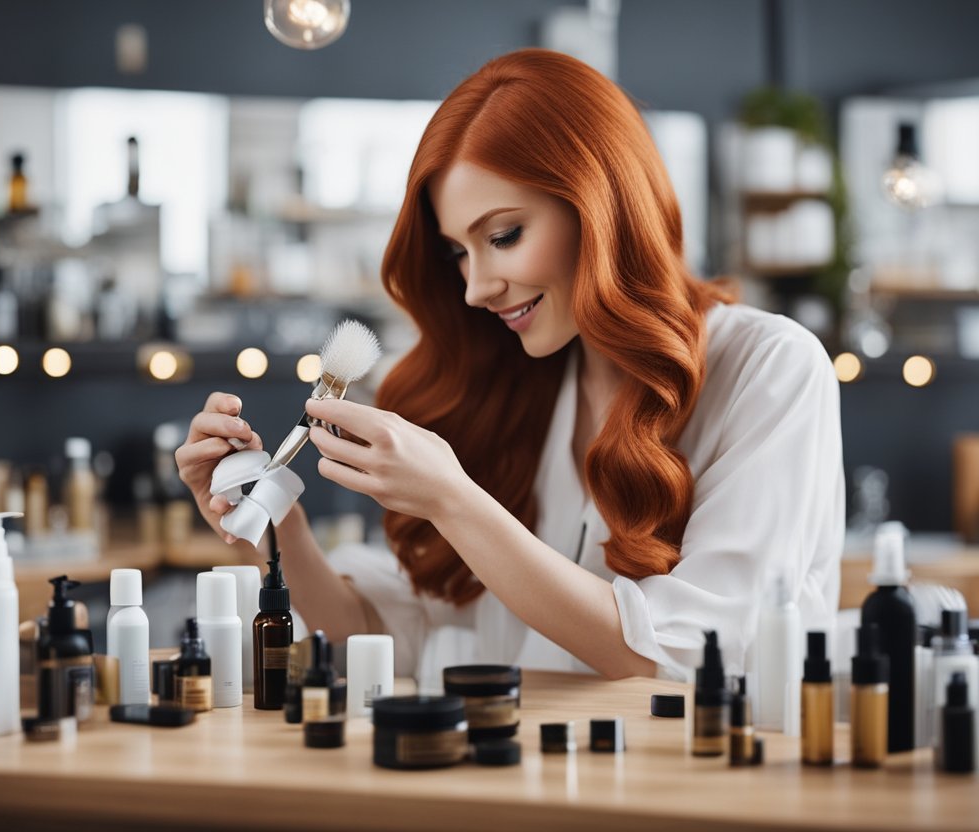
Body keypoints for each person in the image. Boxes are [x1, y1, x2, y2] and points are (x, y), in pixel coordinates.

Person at [177, 49, 843, 687]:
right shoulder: (522, 382)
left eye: (502, 237)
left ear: (600, 208)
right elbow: (378, 638)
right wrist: (273, 528)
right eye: (459, 253)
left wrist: (453, 500)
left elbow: (688, 653)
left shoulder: (768, 370)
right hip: (513, 794)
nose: (475, 288)